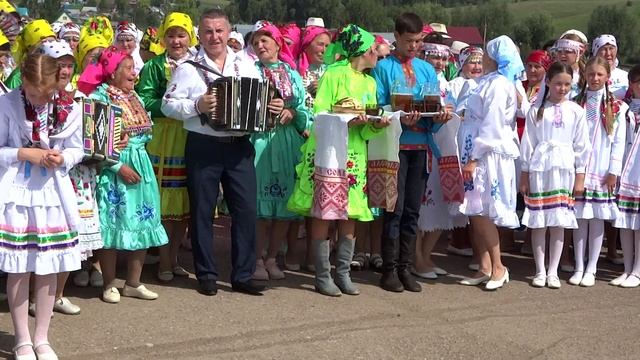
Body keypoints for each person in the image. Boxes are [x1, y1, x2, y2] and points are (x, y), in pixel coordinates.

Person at [161, 8, 266, 296]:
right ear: (200, 34)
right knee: (202, 211)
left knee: (245, 211)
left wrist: (272, 108)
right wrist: (198, 106)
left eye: (219, 30)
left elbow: (259, 100)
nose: (214, 36)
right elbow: (167, 105)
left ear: (229, 31)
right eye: (208, 31)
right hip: (203, 145)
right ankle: (206, 274)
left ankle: (242, 275)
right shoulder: (187, 67)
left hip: (239, 146)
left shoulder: (244, 63)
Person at [287, 24, 390, 296]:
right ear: (362, 50)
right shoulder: (333, 75)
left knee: (351, 212)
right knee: (325, 211)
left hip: (355, 153)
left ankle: (342, 273)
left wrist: (375, 125)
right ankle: (322, 275)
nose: (378, 53)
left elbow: (366, 126)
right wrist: (346, 119)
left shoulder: (370, 82)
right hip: (330, 151)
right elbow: (320, 113)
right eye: (373, 49)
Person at [0, 52, 83, 360]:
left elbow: (78, 148)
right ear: (23, 82)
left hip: (51, 195)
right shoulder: (7, 104)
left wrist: (64, 158)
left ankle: (42, 337)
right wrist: (24, 153)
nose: (41, 99)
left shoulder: (68, 108)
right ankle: (22, 338)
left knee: (49, 266)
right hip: (17, 195)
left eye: (47, 93)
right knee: (19, 267)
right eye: (35, 94)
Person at [78, 46, 169, 303]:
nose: (134, 73)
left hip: (141, 163)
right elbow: (93, 143)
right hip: (114, 167)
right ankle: (109, 284)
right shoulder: (100, 98)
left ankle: (133, 282)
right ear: (112, 72)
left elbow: (145, 134)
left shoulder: (134, 96)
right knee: (113, 223)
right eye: (128, 68)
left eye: (133, 68)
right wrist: (119, 166)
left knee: (143, 221)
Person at [371, 13, 440, 293]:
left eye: (418, 41)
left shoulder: (426, 69)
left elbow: (435, 102)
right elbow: (376, 106)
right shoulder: (383, 68)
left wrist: (440, 114)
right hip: (394, 148)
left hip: (421, 146)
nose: (413, 46)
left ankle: (406, 267)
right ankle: (389, 270)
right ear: (396, 37)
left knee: (412, 210)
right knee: (394, 210)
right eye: (409, 41)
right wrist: (398, 115)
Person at [457, 35, 523, 291]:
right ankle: (484, 266)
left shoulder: (498, 84)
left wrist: (474, 157)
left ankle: (498, 266)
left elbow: (492, 124)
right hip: (475, 149)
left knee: (484, 211)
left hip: (486, 153)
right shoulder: (486, 82)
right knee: (475, 210)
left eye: (486, 54)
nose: (482, 58)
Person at [136, 12, 197, 283]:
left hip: (189, 135)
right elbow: (143, 98)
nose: (176, 40)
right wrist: (169, 105)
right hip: (163, 137)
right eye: (171, 35)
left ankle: (174, 258)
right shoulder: (154, 66)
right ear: (163, 38)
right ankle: (162, 260)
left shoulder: (198, 65)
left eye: (181, 35)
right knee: (164, 202)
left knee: (183, 201)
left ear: (190, 37)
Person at [520, 62, 590, 289]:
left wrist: (580, 176)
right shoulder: (535, 110)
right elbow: (528, 143)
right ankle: (539, 270)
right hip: (540, 168)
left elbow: (582, 146)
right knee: (539, 220)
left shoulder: (576, 111)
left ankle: (553, 271)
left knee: (558, 220)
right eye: (558, 83)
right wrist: (524, 173)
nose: (562, 88)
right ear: (548, 82)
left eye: (567, 84)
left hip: (564, 168)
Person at [249, 23, 310, 281]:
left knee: (283, 208)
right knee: (261, 209)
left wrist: (292, 112)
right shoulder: (250, 72)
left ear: (277, 43)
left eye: (265, 41)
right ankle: (256, 259)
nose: (260, 46)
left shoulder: (292, 74)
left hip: (286, 144)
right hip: (260, 142)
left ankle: (273, 257)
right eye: (255, 43)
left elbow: (305, 108)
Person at [570, 57, 627, 287]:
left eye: (599, 75)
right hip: (580, 168)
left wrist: (614, 170)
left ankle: (592, 267)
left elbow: (619, 143)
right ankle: (579, 265)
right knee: (580, 218)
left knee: (597, 219)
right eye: (591, 74)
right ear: (585, 76)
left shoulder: (617, 107)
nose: (594, 79)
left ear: (607, 77)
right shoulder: (576, 103)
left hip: (602, 168)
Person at [613, 64, 640, 287]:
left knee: (638, 223)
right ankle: (627, 268)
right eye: (637, 82)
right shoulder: (625, 108)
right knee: (625, 222)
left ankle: (638, 270)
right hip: (625, 169)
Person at [5, 19, 56, 89]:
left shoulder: (60, 70)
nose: (49, 49)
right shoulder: (16, 79)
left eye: (52, 43)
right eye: (42, 46)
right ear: (29, 49)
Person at [592, 35, 628, 100]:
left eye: (611, 48)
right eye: (604, 49)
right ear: (596, 52)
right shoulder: (589, 76)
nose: (608, 53)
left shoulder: (626, 76)